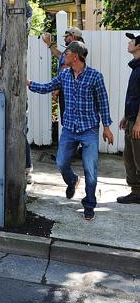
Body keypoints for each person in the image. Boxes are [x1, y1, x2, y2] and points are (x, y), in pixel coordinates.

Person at [27, 41, 114, 221]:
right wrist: (28, 83)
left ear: (75, 56)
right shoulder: (64, 75)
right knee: (61, 163)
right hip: (69, 128)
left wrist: (106, 127)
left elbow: (103, 103)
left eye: (66, 54)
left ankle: (89, 204)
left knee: (90, 170)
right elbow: (47, 87)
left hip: (88, 129)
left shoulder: (95, 76)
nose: (63, 57)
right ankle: (72, 180)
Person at [0, 64, 33, 183]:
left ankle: (19, 168)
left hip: (9, 105)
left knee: (11, 135)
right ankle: (27, 169)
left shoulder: (1, 67)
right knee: (22, 135)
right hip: (22, 104)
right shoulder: (21, 64)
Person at [42, 27, 85, 123]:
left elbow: (66, 67)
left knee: (67, 119)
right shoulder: (73, 49)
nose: (65, 39)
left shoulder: (77, 49)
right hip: (66, 89)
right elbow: (60, 56)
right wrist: (49, 43)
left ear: (73, 36)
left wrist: (57, 88)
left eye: (67, 36)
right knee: (66, 118)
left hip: (68, 90)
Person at [117, 33, 140, 204]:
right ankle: (136, 192)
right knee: (129, 157)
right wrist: (126, 116)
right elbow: (134, 96)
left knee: (138, 158)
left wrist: (139, 122)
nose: (129, 43)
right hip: (132, 119)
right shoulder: (136, 67)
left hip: (138, 122)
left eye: (132, 41)